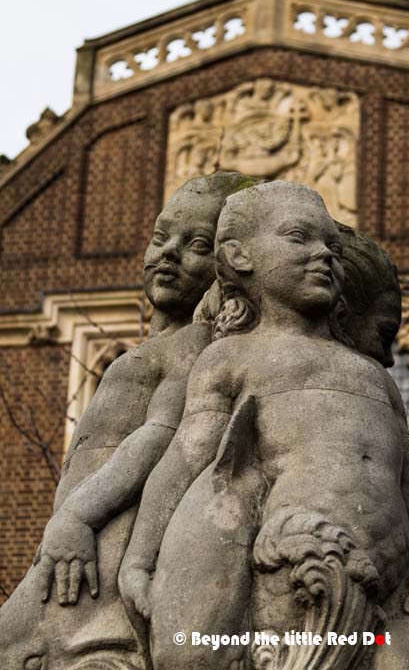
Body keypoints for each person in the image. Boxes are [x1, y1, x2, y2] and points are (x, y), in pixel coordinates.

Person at [121, 181, 409, 670]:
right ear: (240, 256)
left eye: (329, 244)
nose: (323, 254)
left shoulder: (371, 374)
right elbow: (188, 456)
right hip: (288, 569)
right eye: (298, 237)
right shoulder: (231, 358)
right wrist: (139, 560)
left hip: (382, 581)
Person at [0, 171, 257, 670]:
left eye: (197, 244)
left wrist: (77, 517)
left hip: (102, 533)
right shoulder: (159, 348)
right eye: (162, 238)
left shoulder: (193, 347)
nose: (169, 253)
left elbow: (157, 436)